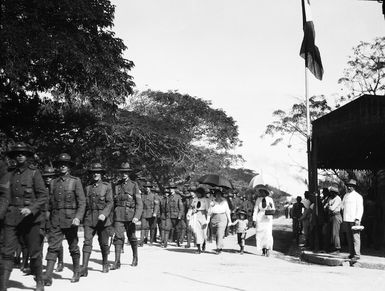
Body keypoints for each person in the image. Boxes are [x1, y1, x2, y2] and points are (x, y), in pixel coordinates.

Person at [1, 143, 48, 291]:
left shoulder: (34, 173)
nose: (20, 156)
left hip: (30, 220)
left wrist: (31, 208)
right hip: (12, 217)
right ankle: (2, 285)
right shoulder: (8, 174)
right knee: (7, 252)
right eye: (17, 154)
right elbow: (4, 197)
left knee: (34, 252)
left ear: (28, 157)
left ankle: (39, 280)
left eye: (23, 154)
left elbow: (43, 196)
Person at [44, 153, 86, 286]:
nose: (63, 166)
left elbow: (82, 202)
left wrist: (78, 218)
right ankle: (48, 276)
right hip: (56, 220)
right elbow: (49, 204)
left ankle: (76, 272)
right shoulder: (54, 183)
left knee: (73, 247)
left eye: (65, 164)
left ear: (69, 167)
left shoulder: (75, 181)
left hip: (70, 220)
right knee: (52, 247)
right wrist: (47, 218)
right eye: (60, 164)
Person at [80, 163, 113, 276]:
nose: (96, 174)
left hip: (102, 220)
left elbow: (110, 202)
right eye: (94, 172)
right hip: (89, 219)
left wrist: (104, 214)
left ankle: (105, 262)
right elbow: (83, 204)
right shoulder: (87, 188)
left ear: (101, 174)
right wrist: (79, 217)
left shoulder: (106, 186)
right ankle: (84, 267)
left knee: (104, 243)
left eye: (98, 172)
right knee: (87, 242)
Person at [110, 162, 143, 269]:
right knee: (118, 238)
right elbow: (113, 202)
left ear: (128, 173)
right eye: (122, 172)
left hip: (130, 215)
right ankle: (117, 261)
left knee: (132, 237)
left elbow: (139, 203)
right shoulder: (117, 185)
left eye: (126, 172)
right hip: (118, 215)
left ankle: (135, 257)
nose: (124, 174)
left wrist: (136, 216)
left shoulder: (134, 185)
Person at [41, 166, 64, 273]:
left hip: (54, 217)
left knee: (55, 241)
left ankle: (60, 262)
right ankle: (37, 263)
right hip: (42, 217)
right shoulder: (41, 188)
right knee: (39, 240)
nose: (48, 179)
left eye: (50, 177)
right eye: (46, 177)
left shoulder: (57, 187)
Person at [341, 179, 364, 260]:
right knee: (349, 237)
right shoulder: (345, 196)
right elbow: (342, 206)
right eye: (348, 186)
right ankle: (351, 253)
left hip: (354, 219)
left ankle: (357, 255)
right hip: (347, 219)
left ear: (354, 187)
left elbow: (360, 208)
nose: (349, 187)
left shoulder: (358, 196)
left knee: (355, 237)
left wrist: (358, 218)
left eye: (351, 186)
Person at [207, 188, 233, 254]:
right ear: (215, 195)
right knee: (216, 234)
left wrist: (230, 221)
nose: (218, 195)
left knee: (220, 233)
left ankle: (218, 248)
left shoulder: (224, 202)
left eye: (219, 194)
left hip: (222, 217)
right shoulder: (212, 202)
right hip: (214, 218)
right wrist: (207, 220)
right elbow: (209, 212)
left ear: (221, 195)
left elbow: (227, 211)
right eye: (217, 194)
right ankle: (220, 246)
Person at [252, 187, 275, 256]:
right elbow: (255, 209)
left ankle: (268, 249)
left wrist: (270, 207)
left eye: (262, 192)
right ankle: (263, 250)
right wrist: (254, 219)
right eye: (260, 192)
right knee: (260, 234)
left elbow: (273, 209)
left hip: (268, 218)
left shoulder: (270, 199)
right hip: (260, 217)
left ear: (265, 192)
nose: (261, 193)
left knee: (267, 234)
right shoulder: (258, 200)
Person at [159, 183, 184, 248]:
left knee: (177, 229)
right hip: (169, 215)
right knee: (167, 228)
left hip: (176, 215)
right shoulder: (168, 197)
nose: (170, 190)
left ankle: (178, 242)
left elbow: (181, 207)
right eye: (170, 189)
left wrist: (180, 215)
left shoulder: (178, 197)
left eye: (172, 189)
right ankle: (165, 243)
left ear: (174, 189)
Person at [188, 187, 210, 254]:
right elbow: (191, 207)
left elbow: (208, 211)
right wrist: (190, 213)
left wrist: (207, 220)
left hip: (203, 216)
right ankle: (198, 248)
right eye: (196, 193)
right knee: (196, 232)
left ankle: (204, 243)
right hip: (196, 216)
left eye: (198, 193)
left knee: (204, 232)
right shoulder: (195, 199)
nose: (197, 194)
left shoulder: (206, 200)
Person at [139, 181, 160, 246]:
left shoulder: (154, 196)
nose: (147, 188)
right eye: (146, 187)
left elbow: (156, 205)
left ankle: (151, 241)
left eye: (148, 187)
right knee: (143, 227)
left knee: (152, 227)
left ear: (150, 188)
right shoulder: (142, 196)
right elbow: (140, 205)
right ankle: (141, 241)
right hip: (144, 213)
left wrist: (155, 213)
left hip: (151, 213)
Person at [325, 186, 342, 253]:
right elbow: (326, 207)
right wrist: (328, 206)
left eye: (333, 193)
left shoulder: (338, 199)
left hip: (336, 216)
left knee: (335, 233)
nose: (331, 194)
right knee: (328, 232)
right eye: (331, 192)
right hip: (330, 216)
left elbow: (332, 208)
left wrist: (328, 206)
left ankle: (337, 248)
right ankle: (329, 248)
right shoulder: (330, 198)